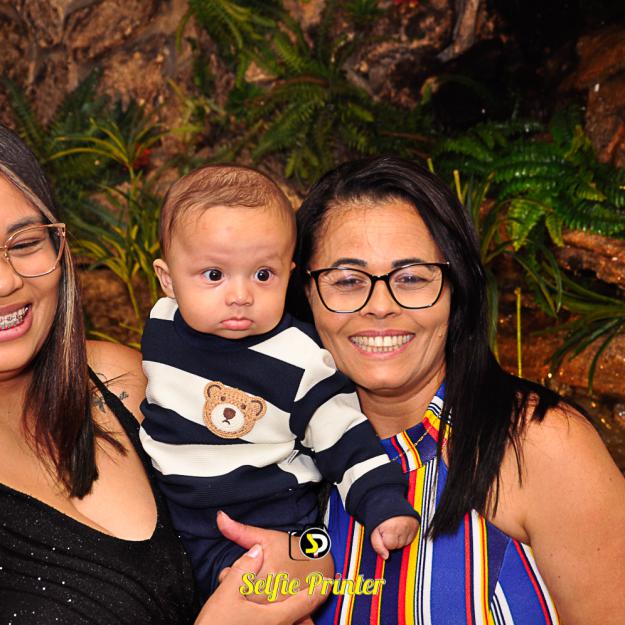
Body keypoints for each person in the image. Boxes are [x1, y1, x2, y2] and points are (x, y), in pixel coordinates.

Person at [0, 123, 324, 625]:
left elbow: (291, 494)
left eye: (24, 243)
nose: (7, 280)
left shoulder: (127, 380)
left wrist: (306, 556)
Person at [284, 155, 625, 625]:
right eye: (347, 280)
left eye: (411, 277)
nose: (379, 306)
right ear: (305, 293)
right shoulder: (273, 453)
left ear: (455, 288)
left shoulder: (539, 446)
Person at [139, 164, 419, 600]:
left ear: (289, 275)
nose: (240, 296)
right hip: (177, 515)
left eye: (263, 275)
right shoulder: (161, 326)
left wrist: (382, 501)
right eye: (214, 275)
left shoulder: (300, 359)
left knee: (257, 598)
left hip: (270, 517)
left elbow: (344, 435)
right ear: (168, 280)